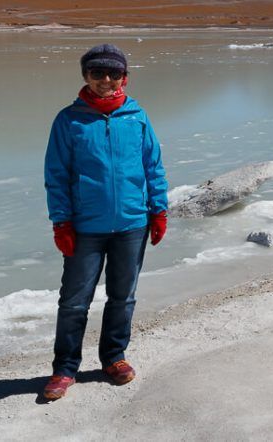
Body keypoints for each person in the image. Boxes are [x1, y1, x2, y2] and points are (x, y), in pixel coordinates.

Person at [42, 43, 169, 401]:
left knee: (123, 297)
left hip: (132, 224)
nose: (106, 80)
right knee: (73, 301)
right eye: (97, 73)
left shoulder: (137, 117)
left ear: (125, 78)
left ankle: (113, 357)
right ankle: (65, 368)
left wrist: (158, 210)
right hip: (86, 226)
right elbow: (56, 174)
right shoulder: (69, 120)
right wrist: (61, 222)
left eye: (113, 73)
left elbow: (153, 167)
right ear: (86, 76)